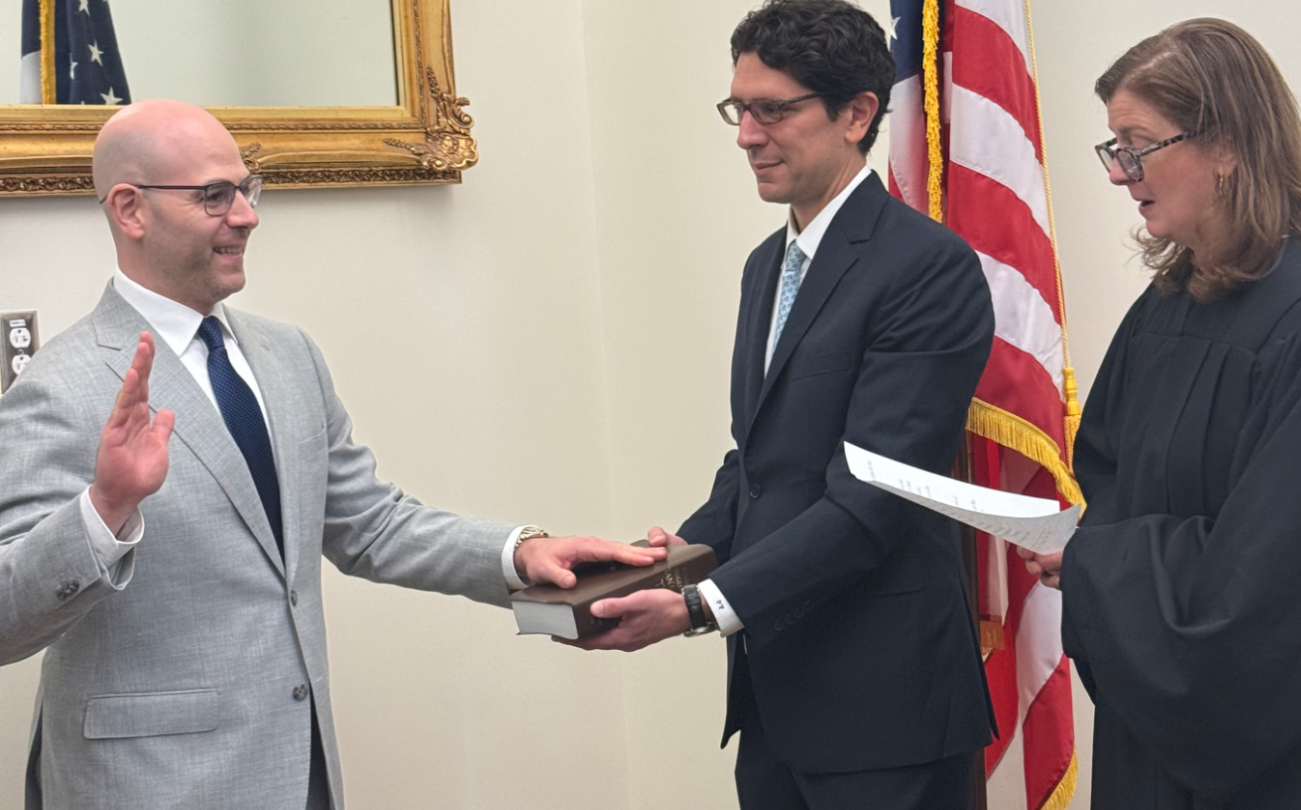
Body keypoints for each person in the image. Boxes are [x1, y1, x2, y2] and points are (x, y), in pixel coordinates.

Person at [0, 99, 665, 810]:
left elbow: (370, 525)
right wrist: (104, 511)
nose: (247, 215)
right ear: (131, 210)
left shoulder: (289, 357)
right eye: (214, 196)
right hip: (147, 790)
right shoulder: (59, 387)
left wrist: (521, 551)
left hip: (299, 773)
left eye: (247, 189)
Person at [567, 2, 997, 808]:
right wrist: (668, 558)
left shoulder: (928, 269)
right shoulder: (769, 264)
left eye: (775, 110)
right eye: (740, 108)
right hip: (775, 696)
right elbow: (760, 466)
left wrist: (698, 606)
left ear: (856, 115)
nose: (746, 134)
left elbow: (873, 497)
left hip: (886, 714)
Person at [1018, 18, 1301, 809]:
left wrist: (1100, 566)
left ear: (1229, 145)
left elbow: (1283, 589)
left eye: (1137, 145)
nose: (1121, 174)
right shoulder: (1172, 302)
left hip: (1289, 760)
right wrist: (1084, 542)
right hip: (1166, 743)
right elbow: (1109, 475)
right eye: (1116, 148)